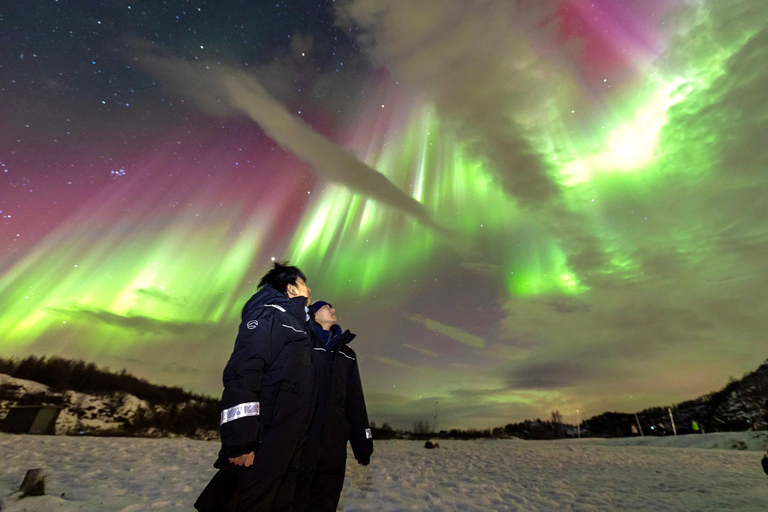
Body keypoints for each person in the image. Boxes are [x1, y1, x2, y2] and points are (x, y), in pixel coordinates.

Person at [195, 262, 316, 512]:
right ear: (291, 289)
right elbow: (244, 372)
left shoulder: (298, 325)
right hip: (266, 436)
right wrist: (241, 440)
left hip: (288, 439)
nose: (310, 289)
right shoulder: (271, 315)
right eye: (304, 284)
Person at [294, 300, 373, 512]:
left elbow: (355, 400)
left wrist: (363, 445)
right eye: (327, 307)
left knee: (327, 498)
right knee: (297, 496)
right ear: (313, 315)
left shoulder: (347, 354)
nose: (333, 310)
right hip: (304, 436)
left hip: (334, 439)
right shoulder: (302, 344)